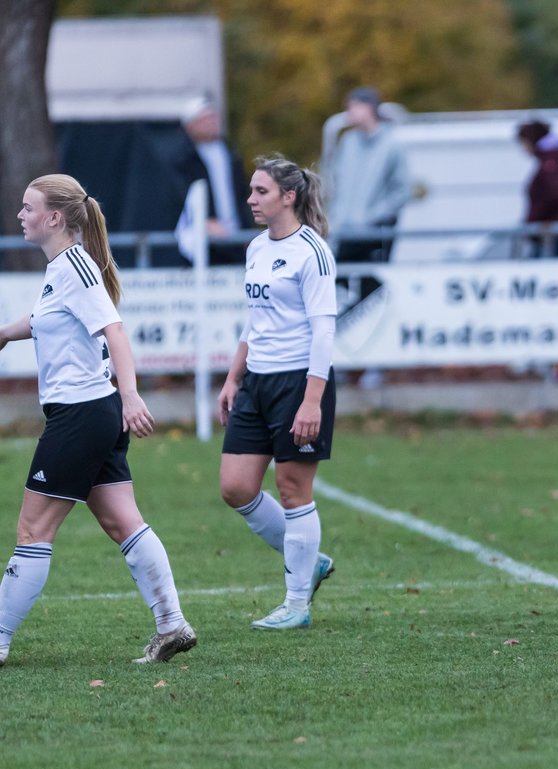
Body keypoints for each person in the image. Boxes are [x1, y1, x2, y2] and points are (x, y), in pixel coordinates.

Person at [0, 174, 196, 666]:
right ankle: (172, 624)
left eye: (28, 208)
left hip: (83, 415)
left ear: (54, 217)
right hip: (93, 414)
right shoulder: (61, 269)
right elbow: (47, 318)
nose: (20, 215)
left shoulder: (76, 268)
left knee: (32, 530)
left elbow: (114, 330)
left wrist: (131, 395)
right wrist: (5, 332)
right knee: (122, 520)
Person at [218, 155, 338, 630]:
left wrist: (312, 400)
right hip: (257, 382)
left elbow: (324, 332)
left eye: (261, 191)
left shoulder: (313, 251)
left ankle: (296, 605)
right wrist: (233, 377)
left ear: (289, 196)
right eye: (251, 190)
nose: (251, 199)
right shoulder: (256, 248)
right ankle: (314, 562)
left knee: (293, 491)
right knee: (236, 487)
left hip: (298, 383)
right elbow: (254, 321)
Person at [325, 87, 412, 263]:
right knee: (337, 278)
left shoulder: (391, 144)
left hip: (374, 233)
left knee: (371, 285)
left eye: (353, 107)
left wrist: (373, 217)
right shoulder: (348, 142)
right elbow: (336, 182)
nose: (348, 113)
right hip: (344, 231)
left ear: (368, 108)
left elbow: (402, 190)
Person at [174, 96, 254, 266]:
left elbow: (241, 195)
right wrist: (205, 220)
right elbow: (179, 197)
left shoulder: (230, 154)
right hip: (204, 242)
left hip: (236, 239)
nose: (212, 123)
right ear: (190, 126)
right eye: (205, 119)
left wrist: (246, 229)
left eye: (213, 117)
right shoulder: (183, 160)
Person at [516, 119, 558, 258]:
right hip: (551, 234)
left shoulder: (551, 161)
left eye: (524, 143)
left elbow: (557, 194)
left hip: (552, 236)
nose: (523, 149)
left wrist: (537, 218)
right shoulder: (551, 158)